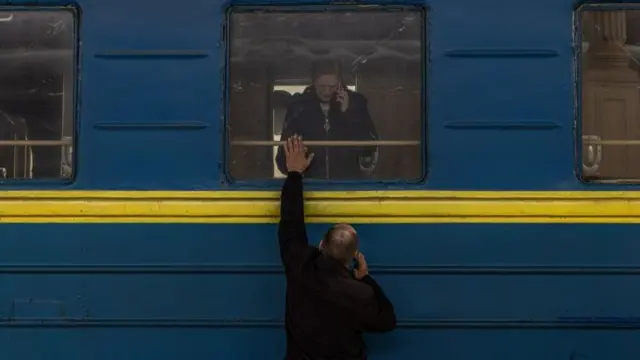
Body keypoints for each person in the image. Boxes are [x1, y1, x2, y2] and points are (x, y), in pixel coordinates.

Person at [278, 135, 396, 360]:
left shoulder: (300, 266)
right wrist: (366, 279)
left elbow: (290, 223)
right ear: (354, 258)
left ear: (322, 244)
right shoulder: (360, 294)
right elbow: (387, 321)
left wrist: (294, 173)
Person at [275, 61, 379, 180]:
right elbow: (283, 161)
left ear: (340, 82)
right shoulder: (299, 107)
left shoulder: (356, 103)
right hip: (310, 185)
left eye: (332, 86)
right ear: (313, 82)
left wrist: (348, 113)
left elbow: (369, 150)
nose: (326, 91)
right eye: (322, 86)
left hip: (348, 185)